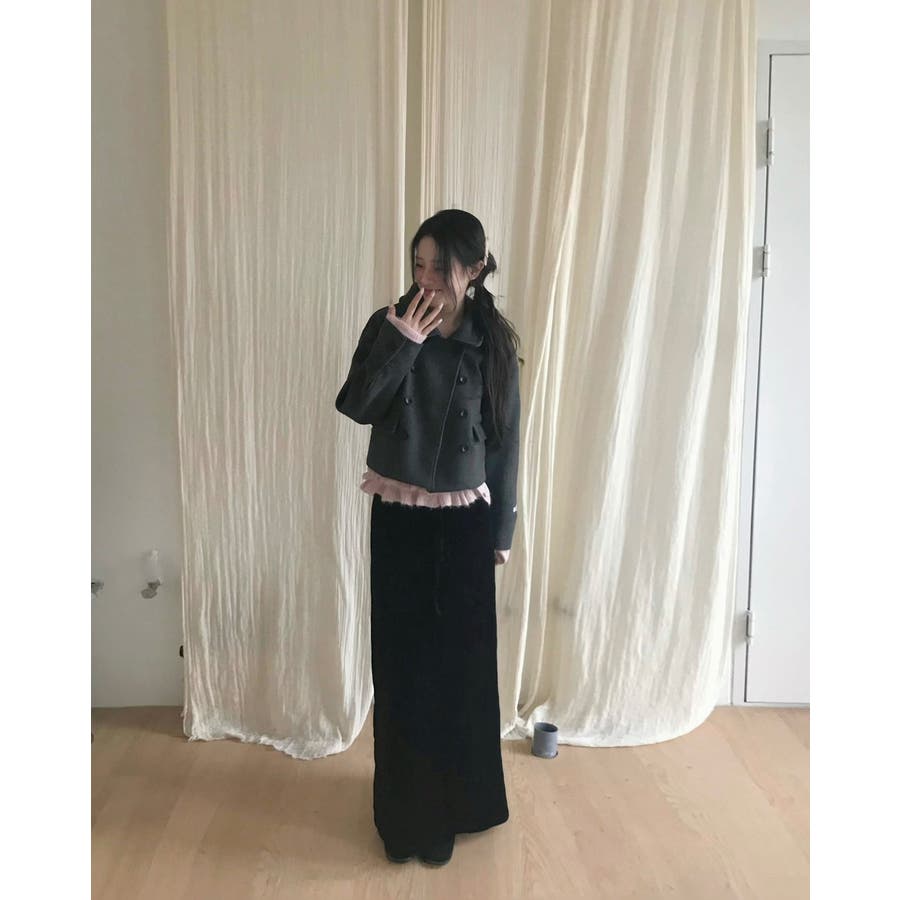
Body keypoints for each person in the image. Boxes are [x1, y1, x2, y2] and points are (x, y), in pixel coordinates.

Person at [335, 209, 522, 867]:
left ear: (474, 269)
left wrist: (502, 529)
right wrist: (403, 343)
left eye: (440, 267)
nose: (426, 279)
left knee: (461, 670)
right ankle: (405, 816)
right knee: (404, 665)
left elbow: (506, 442)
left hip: (465, 521)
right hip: (401, 515)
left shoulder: (493, 341)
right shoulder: (389, 323)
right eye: (419, 264)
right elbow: (357, 404)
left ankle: (458, 805)